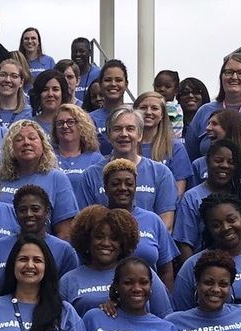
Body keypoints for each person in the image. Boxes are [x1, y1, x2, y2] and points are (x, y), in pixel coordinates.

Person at [60, 206, 173, 317]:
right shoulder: (68, 281)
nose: (106, 243)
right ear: (87, 240)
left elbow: (165, 318)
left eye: (114, 238)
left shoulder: (142, 274)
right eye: (99, 237)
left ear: (123, 243)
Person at [81, 107, 178, 228]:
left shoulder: (161, 173)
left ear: (140, 135)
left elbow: (166, 225)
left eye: (130, 129)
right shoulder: (91, 175)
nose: (124, 134)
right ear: (109, 135)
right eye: (117, 129)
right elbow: (86, 223)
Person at [92, 159, 179, 288]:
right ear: (105, 187)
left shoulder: (153, 220)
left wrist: (167, 296)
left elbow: (166, 270)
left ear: (135, 187)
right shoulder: (96, 220)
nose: (123, 188)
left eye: (129, 184)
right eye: (115, 184)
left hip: (148, 293)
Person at [173, 139, 241, 261]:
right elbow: (184, 244)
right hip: (209, 266)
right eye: (218, 161)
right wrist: (195, 270)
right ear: (207, 162)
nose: (224, 165)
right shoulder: (192, 198)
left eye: (231, 162)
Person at [0, 185, 79, 294]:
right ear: (15, 213)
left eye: (35, 209)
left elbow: (69, 291)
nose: (29, 214)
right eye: (22, 210)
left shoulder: (64, 250)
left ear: (47, 212)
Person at [0, 120, 79, 234]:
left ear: (43, 144)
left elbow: (65, 231)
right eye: (19, 139)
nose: (26, 143)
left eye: (32, 138)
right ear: (10, 147)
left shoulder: (57, 178)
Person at [191, 108, 241, 206]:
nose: (208, 128)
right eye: (208, 123)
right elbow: (193, 199)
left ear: (230, 128)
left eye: (214, 124)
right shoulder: (198, 164)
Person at [134, 91, 195, 193]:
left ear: (162, 114)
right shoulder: (127, 145)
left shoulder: (175, 147)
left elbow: (179, 189)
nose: (148, 112)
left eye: (154, 108)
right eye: (143, 108)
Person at [50, 103, 104, 205]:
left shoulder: (96, 160)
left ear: (81, 126)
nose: (65, 126)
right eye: (60, 123)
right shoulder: (48, 158)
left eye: (70, 122)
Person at [0, 58, 32, 125]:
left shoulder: (30, 114)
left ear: (21, 82)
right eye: (3, 75)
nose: (7, 80)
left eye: (14, 76)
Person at [151, 70, 184, 138]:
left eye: (167, 86)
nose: (162, 89)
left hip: (169, 141)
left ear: (176, 90)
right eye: (158, 86)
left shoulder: (172, 107)